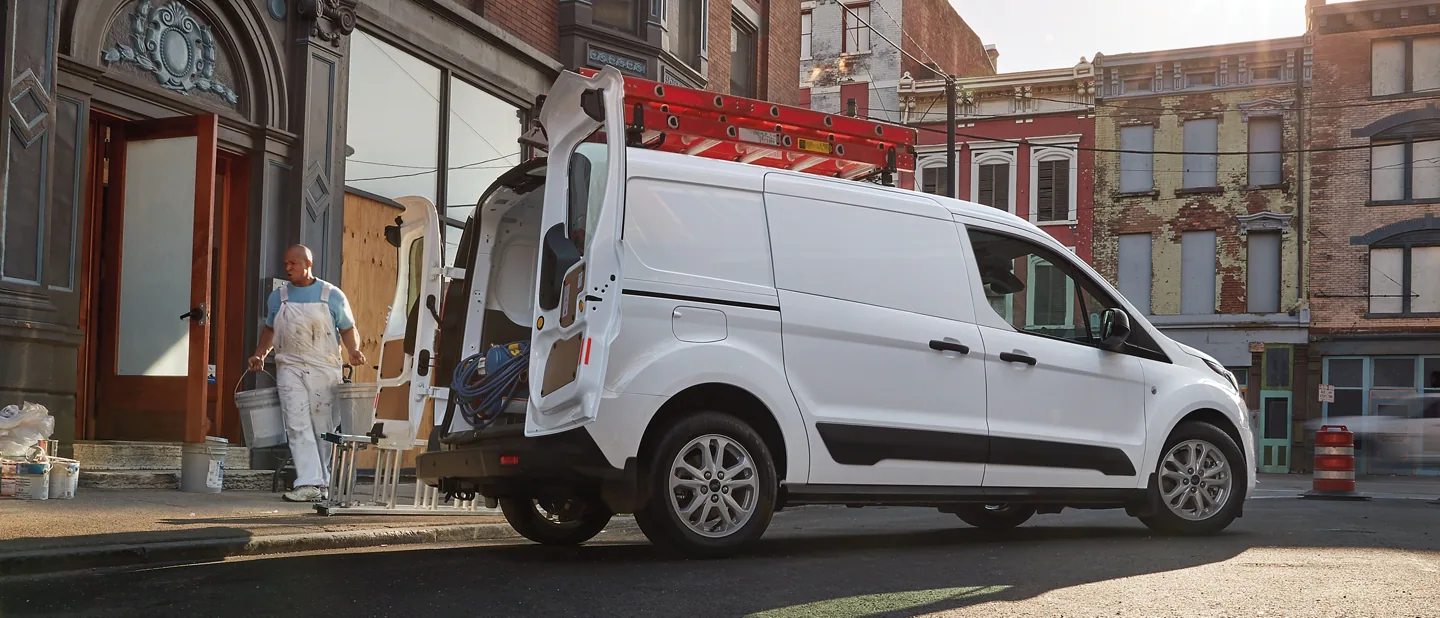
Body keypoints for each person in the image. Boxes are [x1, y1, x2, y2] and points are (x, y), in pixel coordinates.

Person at [249, 245, 367, 502]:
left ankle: (322, 482)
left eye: (293, 263)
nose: (288, 267)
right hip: (289, 366)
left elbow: (347, 328)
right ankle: (309, 482)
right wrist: (260, 354)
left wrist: (353, 351)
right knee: (296, 422)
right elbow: (269, 330)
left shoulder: (331, 295)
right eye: (285, 263)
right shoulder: (278, 297)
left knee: (322, 425)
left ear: (308, 264)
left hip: (323, 368)